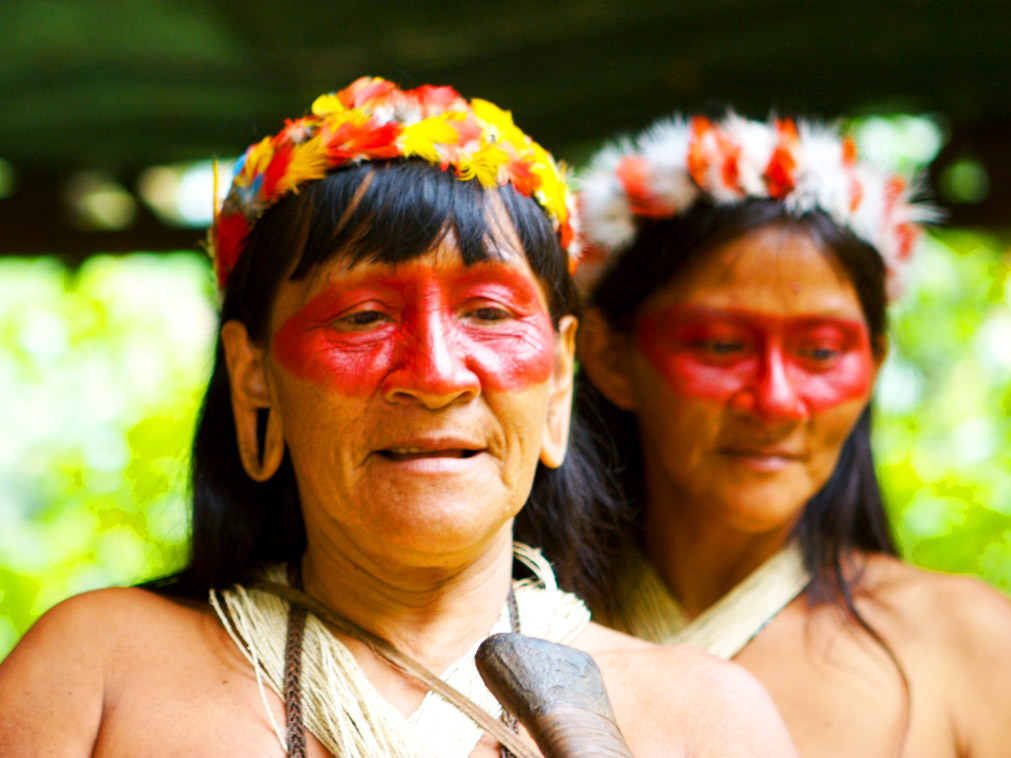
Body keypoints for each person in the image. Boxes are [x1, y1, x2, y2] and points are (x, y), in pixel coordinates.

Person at [0, 79, 797, 758]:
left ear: (557, 381)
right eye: (361, 317)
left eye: (487, 312)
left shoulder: (705, 722)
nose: (437, 374)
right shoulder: (95, 676)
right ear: (254, 378)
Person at [565, 112, 1011, 756]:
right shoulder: (495, 626)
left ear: (875, 365)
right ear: (608, 356)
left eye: (822, 353)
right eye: (721, 345)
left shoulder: (972, 646)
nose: (776, 400)